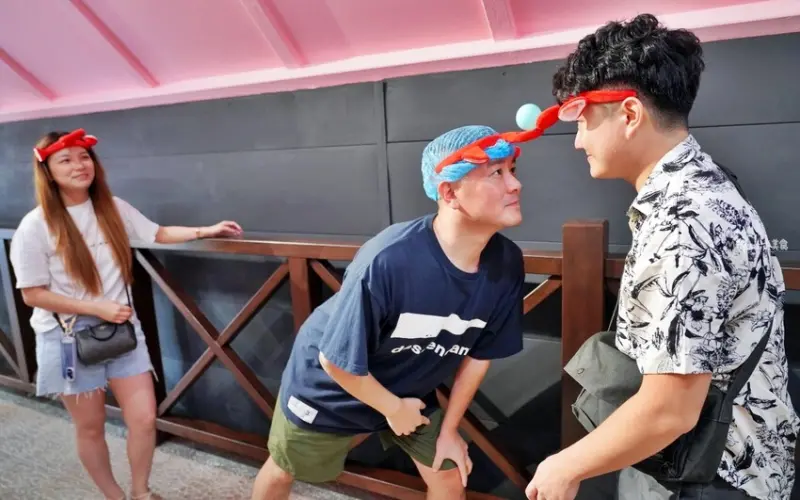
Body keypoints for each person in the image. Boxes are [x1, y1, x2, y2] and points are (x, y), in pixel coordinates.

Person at [523, 14, 799, 500]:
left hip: (710, 476)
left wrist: (564, 467)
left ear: (629, 114)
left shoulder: (683, 222)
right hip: (738, 463)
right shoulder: (708, 186)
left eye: (582, 118)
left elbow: (670, 411)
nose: (578, 139)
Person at [250, 124, 538, 500]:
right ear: (449, 192)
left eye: (512, 171)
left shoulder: (507, 263)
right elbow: (334, 360)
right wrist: (392, 409)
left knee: (448, 476)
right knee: (284, 468)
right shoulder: (389, 259)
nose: (515, 185)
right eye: (496, 173)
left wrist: (449, 429)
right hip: (332, 383)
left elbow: (480, 355)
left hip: (408, 387)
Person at [9, 129, 243, 500]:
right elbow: (32, 294)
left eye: (84, 157)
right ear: (48, 172)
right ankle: (114, 496)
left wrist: (206, 230)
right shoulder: (35, 226)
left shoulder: (112, 207)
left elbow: (158, 233)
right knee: (90, 427)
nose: (79, 165)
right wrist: (95, 307)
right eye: (65, 160)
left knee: (144, 418)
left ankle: (140, 492)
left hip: (121, 328)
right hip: (67, 335)